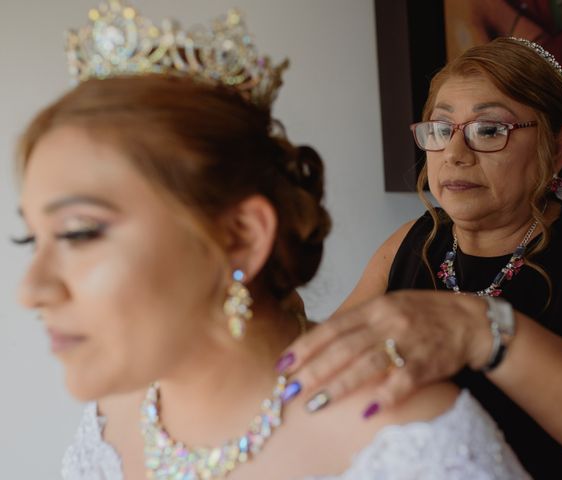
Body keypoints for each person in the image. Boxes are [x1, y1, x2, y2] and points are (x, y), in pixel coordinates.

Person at [14, 3, 531, 479]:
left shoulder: (411, 446)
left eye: (79, 232)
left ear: (240, 237)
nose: (31, 289)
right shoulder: (108, 426)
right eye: (29, 237)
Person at [280, 37, 562, 478]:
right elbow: (329, 365)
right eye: (441, 129)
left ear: (558, 148)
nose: (454, 153)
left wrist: (484, 331)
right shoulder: (412, 243)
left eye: (488, 130)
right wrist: (275, 314)